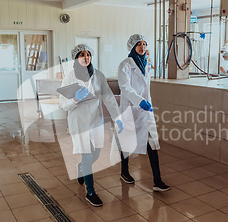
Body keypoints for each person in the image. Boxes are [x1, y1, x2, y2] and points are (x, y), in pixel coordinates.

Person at [60, 44, 124, 207]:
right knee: (87, 156)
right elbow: (63, 104)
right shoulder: (70, 77)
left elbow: (109, 98)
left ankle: (81, 168)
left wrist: (118, 118)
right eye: (82, 54)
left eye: (88, 54)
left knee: (95, 154)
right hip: (79, 122)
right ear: (76, 58)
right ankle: (90, 192)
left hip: (95, 121)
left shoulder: (99, 76)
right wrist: (75, 99)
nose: (86, 57)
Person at [117, 34, 170, 192]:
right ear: (132, 47)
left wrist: (146, 102)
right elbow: (125, 87)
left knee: (152, 142)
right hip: (130, 108)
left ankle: (157, 180)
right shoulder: (125, 64)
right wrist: (139, 101)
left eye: (144, 44)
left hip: (145, 111)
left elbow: (146, 88)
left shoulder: (146, 63)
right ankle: (124, 171)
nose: (142, 47)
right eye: (139, 44)